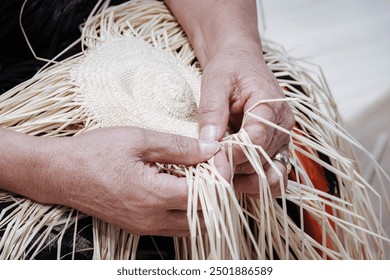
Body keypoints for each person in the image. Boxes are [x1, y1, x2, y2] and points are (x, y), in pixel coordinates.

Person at [0, 0, 294, 238]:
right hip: (18, 122)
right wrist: (45, 168)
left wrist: (234, 44)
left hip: (152, 32)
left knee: (291, 170)